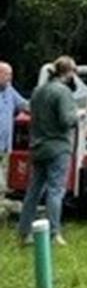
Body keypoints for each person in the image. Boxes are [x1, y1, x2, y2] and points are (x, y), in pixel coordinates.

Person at [17, 56, 81, 247]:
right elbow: (66, 120)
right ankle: (54, 233)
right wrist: (78, 115)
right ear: (69, 73)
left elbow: (31, 112)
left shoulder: (38, 91)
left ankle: (24, 232)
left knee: (33, 191)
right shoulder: (63, 92)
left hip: (38, 146)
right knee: (55, 191)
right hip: (58, 147)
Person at [0, 61, 29, 199]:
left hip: (5, 144)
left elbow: (24, 105)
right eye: (7, 74)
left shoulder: (9, 90)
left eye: (10, 74)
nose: (10, 78)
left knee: (4, 177)